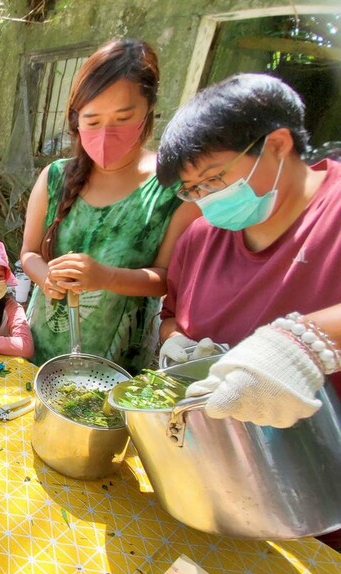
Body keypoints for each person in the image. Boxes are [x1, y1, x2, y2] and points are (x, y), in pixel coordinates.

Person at [155, 73, 341, 429]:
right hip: (217, 447)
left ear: (277, 145)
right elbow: (171, 315)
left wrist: (303, 342)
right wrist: (177, 341)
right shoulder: (200, 237)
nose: (206, 199)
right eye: (191, 190)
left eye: (213, 179)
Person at [20, 39, 198, 373]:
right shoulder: (55, 177)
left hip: (117, 361)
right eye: (92, 120)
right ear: (76, 119)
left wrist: (107, 277)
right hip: (41, 348)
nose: (105, 133)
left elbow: (165, 280)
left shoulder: (173, 190)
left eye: (122, 118)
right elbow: (29, 253)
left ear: (148, 111)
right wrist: (46, 278)